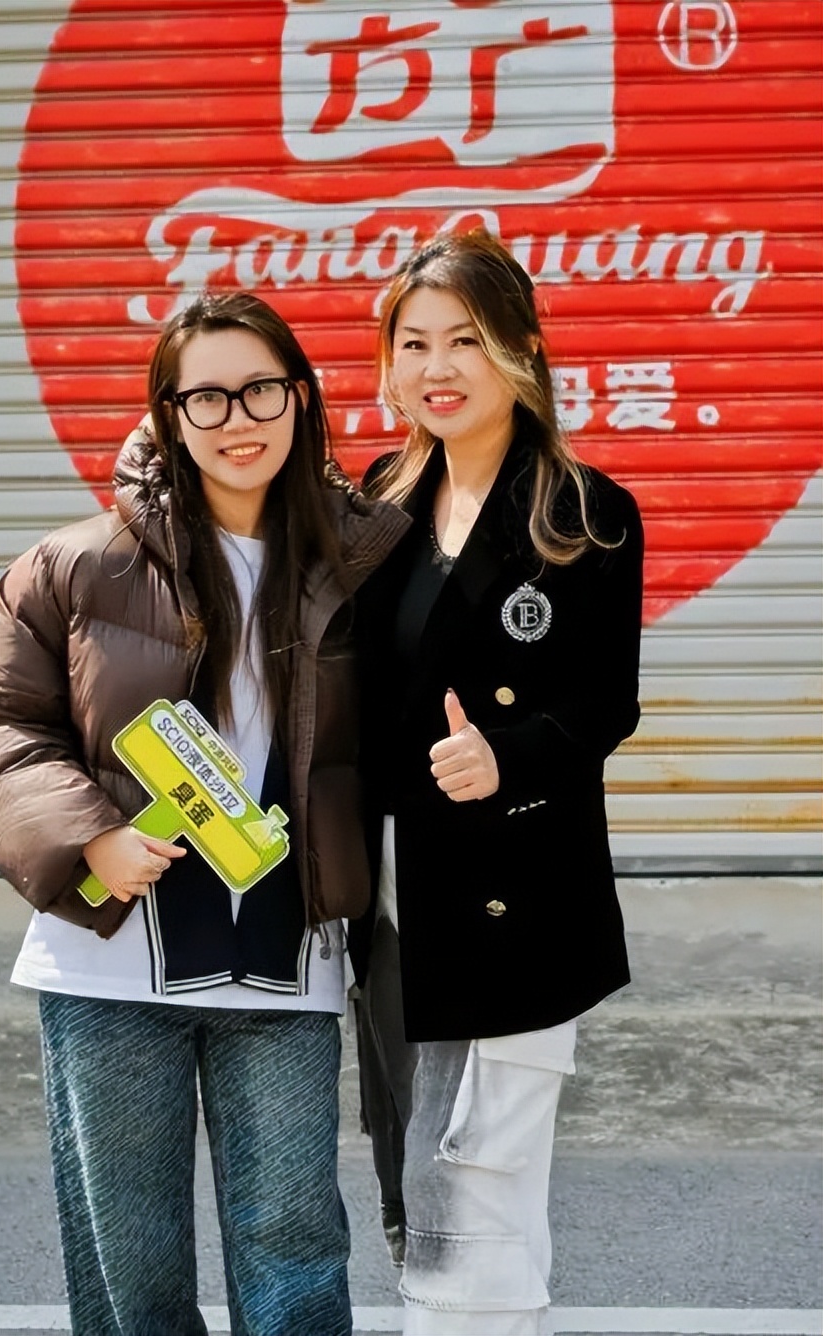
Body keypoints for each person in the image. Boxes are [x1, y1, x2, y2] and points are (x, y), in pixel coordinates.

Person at [0, 292, 408, 1336]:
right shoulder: (74, 565)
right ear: (168, 413)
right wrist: (90, 838)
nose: (238, 418)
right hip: (109, 959)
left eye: (261, 390)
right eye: (207, 397)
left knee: (295, 1247)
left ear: (301, 398)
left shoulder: (363, 565)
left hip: (287, 954)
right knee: (131, 1262)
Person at [349, 229, 644, 1336]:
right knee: (417, 1159)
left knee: (483, 1163)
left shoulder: (585, 512)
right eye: (414, 342)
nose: (438, 368)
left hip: (517, 886)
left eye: (465, 340)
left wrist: (506, 756)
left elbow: (604, 704)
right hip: (393, 892)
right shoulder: (379, 498)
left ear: (522, 346)